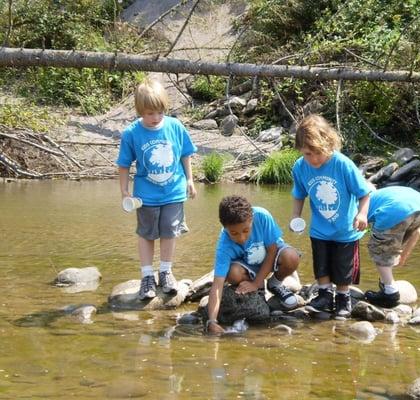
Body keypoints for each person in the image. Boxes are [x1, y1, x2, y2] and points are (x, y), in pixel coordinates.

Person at [116, 77, 197, 300]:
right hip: (146, 195)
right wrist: (124, 191)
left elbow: (185, 154)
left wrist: (190, 179)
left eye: (160, 112)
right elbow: (123, 164)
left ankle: (166, 271)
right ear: (140, 111)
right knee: (147, 233)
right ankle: (147, 276)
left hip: (174, 192)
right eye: (150, 113)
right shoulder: (132, 133)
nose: (155, 118)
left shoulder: (175, 126)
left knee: (170, 231)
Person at [291, 114, 371, 318]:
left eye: (317, 153)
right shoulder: (300, 167)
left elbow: (364, 193)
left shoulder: (342, 164)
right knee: (321, 263)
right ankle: (325, 295)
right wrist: (295, 217)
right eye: (307, 154)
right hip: (320, 229)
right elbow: (299, 194)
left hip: (345, 229)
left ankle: (343, 297)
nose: (313, 159)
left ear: (328, 144)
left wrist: (362, 214)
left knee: (343, 267)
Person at [206, 195, 301, 334]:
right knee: (231, 274)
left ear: (252, 220)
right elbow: (217, 285)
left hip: (272, 256)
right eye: (234, 233)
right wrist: (212, 321)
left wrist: (256, 283)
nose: (241, 238)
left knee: (292, 257)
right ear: (225, 228)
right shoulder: (224, 245)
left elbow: (272, 251)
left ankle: (274, 284)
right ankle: (260, 287)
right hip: (248, 267)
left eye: (246, 230)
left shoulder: (262, 216)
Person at [364, 186, 420, 308]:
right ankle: (385, 284)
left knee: (378, 247)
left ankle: (390, 292)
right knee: (390, 245)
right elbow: (417, 232)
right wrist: (403, 256)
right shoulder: (384, 196)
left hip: (396, 210)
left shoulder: (362, 202)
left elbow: (356, 227)